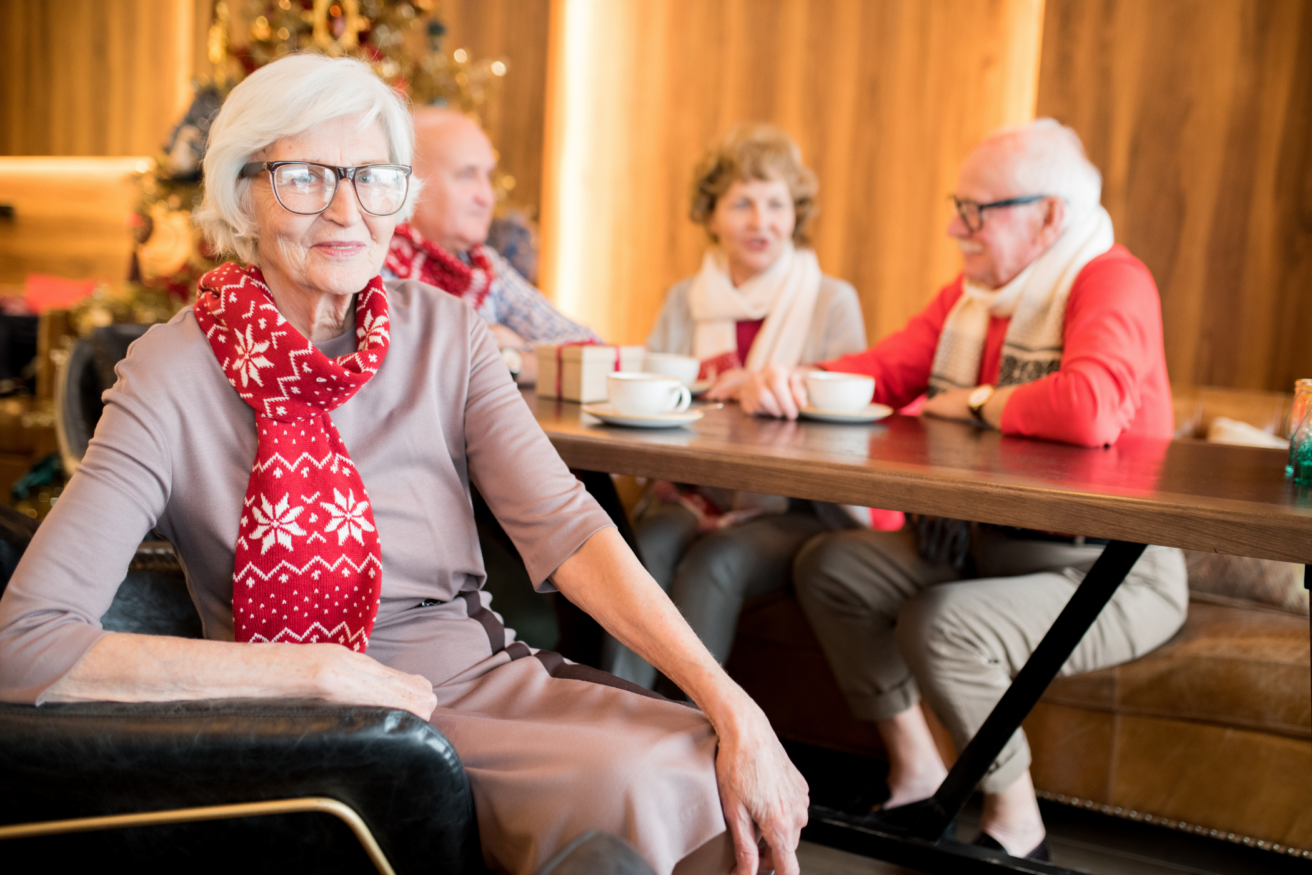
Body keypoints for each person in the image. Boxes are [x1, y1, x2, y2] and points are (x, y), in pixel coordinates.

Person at [0, 55, 809, 875]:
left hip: (473, 685)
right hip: (285, 715)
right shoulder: (167, 373)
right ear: (242, 192)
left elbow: (567, 529)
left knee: (696, 771)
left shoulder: (448, 335)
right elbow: (23, 643)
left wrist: (733, 703)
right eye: (306, 176)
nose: (347, 210)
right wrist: (311, 672)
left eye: (375, 178)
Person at [739, 119, 1188, 861]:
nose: (956, 226)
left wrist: (978, 402)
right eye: (959, 205)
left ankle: (1019, 826)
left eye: (977, 209)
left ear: (1050, 216)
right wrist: (787, 381)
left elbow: (1090, 405)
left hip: (1110, 569)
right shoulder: (975, 297)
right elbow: (884, 369)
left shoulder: (1112, 278)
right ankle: (918, 772)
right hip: (989, 544)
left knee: (942, 621)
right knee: (832, 566)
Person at [608, 124, 866, 691]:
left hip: (793, 505)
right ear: (712, 213)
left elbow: (847, 428)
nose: (761, 220)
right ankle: (619, 722)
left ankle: (694, 736)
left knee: (715, 560)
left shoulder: (832, 302)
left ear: (796, 212)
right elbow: (656, 398)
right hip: (694, 488)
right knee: (640, 548)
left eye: (776, 203)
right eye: (742, 203)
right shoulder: (684, 300)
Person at [384, 106, 598, 385]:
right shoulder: (373, 260)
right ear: (407, 181)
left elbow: (589, 349)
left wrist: (512, 358)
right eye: (467, 175)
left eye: (489, 177)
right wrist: (495, 347)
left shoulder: (482, 264)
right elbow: (415, 371)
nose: (487, 197)